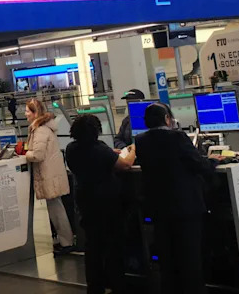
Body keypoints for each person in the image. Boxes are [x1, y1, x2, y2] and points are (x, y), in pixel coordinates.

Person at [134, 103, 216, 294]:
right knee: (190, 258)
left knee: (167, 258)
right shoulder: (177, 137)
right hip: (185, 207)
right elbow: (198, 164)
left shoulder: (140, 140)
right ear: (167, 119)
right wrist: (214, 161)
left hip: (159, 208)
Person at [65, 115, 136, 294]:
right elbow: (126, 165)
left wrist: (110, 153)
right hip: (107, 203)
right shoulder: (100, 149)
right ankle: (118, 285)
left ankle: (95, 287)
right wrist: (134, 149)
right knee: (113, 247)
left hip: (86, 202)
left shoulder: (71, 149)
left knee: (93, 247)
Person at [18, 99, 75, 255]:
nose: (25, 114)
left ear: (35, 113)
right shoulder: (41, 128)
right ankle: (64, 240)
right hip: (51, 174)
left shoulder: (40, 130)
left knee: (57, 211)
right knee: (55, 209)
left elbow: (38, 154)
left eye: (28, 111)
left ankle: (67, 242)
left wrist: (24, 155)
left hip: (49, 175)